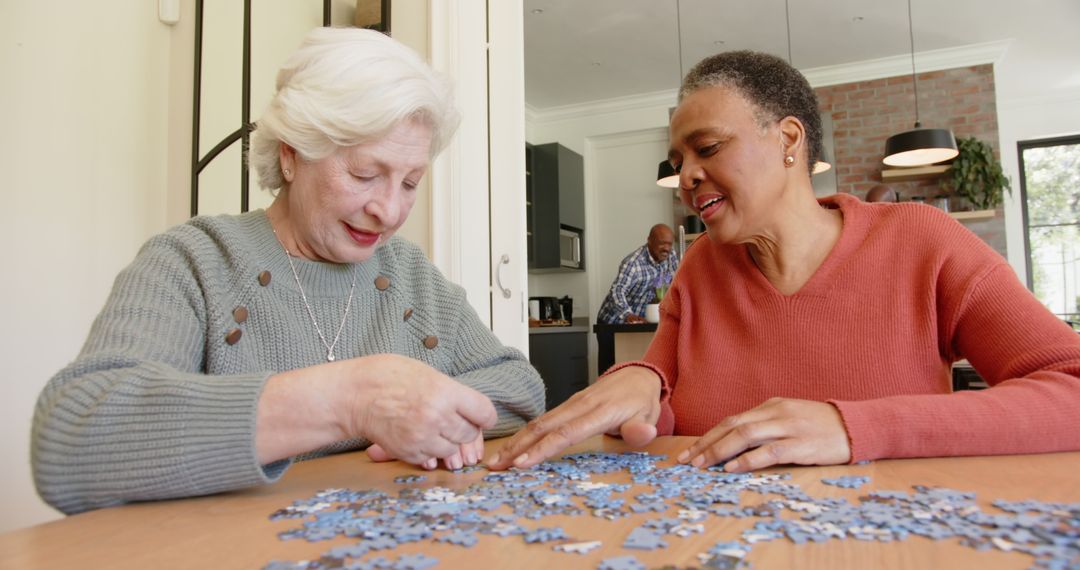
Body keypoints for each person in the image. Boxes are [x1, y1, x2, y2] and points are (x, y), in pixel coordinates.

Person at [488, 50, 1080, 474]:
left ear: (789, 140)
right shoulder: (700, 265)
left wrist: (854, 428)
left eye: (708, 148)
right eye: (678, 159)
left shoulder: (923, 240)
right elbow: (661, 406)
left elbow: (1070, 390)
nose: (686, 175)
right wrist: (637, 384)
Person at [31, 28, 546, 515]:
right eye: (365, 174)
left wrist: (429, 418)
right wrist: (354, 401)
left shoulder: (409, 272)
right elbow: (72, 441)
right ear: (292, 156)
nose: (389, 211)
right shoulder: (193, 260)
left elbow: (520, 389)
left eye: (410, 183)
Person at [596, 224, 680, 324]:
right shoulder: (633, 263)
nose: (666, 248)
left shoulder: (670, 255)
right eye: (662, 243)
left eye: (670, 244)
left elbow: (678, 281)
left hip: (641, 323)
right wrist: (627, 314)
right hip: (613, 323)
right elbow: (617, 290)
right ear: (649, 240)